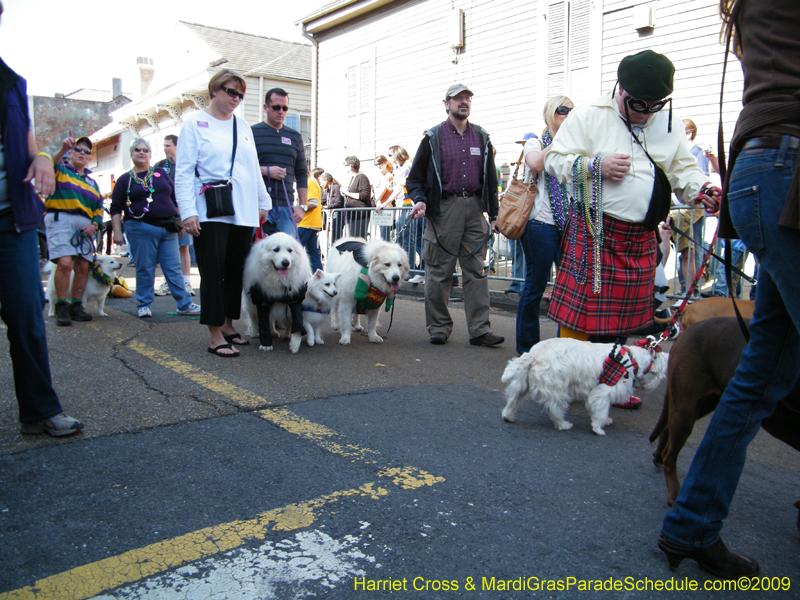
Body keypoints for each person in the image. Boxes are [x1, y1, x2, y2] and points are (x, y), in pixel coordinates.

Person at [659, 0, 800, 578]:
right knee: (757, 377)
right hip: (787, 165)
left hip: (763, 167)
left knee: (758, 377)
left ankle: (690, 526)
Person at [544, 50, 718, 407]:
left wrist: (702, 190)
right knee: (580, 315)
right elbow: (555, 160)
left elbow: (683, 170)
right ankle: (565, 379)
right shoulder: (590, 114)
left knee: (620, 322)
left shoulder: (665, 122)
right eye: (638, 104)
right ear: (620, 89)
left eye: (654, 106)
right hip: (594, 229)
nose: (645, 113)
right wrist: (596, 165)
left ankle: (613, 384)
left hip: (638, 235)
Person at [0, 0, 84, 436]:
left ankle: (38, 410)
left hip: (11, 220)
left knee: (28, 317)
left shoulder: (12, 82)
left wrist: (41, 157)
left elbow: (28, 139)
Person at [175, 69, 271, 357]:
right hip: (209, 209)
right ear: (214, 90)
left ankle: (229, 324)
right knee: (213, 272)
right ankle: (215, 333)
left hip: (242, 210)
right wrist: (188, 211)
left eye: (240, 95)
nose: (236, 99)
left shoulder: (241, 127)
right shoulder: (194, 124)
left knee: (234, 272)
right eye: (231, 92)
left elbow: (252, 167)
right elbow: (183, 172)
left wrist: (262, 201)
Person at [406, 83, 503, 347]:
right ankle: (438, 327)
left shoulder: (482, 137)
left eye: (467, 98)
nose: (464, 102)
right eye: (458, 98)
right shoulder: (432, 137)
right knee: (439, 271)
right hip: (443, 210)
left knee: (477, 272)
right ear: (446, 104)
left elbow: (491, 180)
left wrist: (494, 215)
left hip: (474, 209)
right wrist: (421, 200)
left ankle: (480, 331)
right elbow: (414, 178)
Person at [110, 139, 200, 318]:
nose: (141, 152)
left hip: (168, 228)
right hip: (140, 228)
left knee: (173, 267)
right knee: (145, 267)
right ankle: (144, 304)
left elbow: (175, 198)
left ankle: (184, 303)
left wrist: (180, 221)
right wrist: (117, 232)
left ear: (150, 154)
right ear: (131, 154)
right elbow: (115, 207)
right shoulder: (125, 179)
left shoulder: (161, 173)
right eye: (137, 150)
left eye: (145, 150)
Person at [516, 99, 573, 355]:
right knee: (535, 286)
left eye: (573, 111)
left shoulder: (575, 147)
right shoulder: (536, 143)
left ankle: (565, 347)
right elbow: (536, 163)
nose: (568, 115)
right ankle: (528, 348)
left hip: (569, 225)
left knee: (569, 288)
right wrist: (560, 144)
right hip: (540, 224)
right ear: (550, 114)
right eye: (563, 110)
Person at [44, 134, 104, 326]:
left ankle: (76, 306)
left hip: (84, 225)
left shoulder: (92, 183)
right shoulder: (60, 170)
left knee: (83, 267)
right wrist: (61, 149)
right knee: (64, 263)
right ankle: (62, 305)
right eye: (78, 149)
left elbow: (98, 209)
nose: (82, 153)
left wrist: (94, 225)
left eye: (87, 152)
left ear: (89, 158)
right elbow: (49, 164)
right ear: (70, 152)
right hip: (61, 218)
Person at [251, 88, 306, 238]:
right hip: (258, 205)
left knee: (288, 255)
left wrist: (302, 206)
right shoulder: (252, 133)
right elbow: (242, 167)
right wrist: (265, 171)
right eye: (276, 107)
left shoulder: (295, 136)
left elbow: (301, 173)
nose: (281, 111)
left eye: (285, 108)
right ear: (266, 108)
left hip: (286, 208)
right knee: (261, 254)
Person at [155, 134, 195, 297]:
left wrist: (184, 216)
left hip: (183, 214)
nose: (165, 149)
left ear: (178, 147)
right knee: (167, 250)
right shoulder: (159, 167)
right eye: (164, 146)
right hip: (166, 216)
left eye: (168, 145)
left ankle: (186, 282)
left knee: (183, 247)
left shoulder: (186, 165)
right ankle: (167, 282)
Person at [390, 146, 424, 284]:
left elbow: (401, 188)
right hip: (400, 206)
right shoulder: (399, 169)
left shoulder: (408, 167)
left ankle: (411, 270)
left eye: (390, 154)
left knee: (408, 240)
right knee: (403, 238)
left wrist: (385, 202)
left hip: (408, 205)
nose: (390, 157)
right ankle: (410, 269)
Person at [298, 166, 323, 272]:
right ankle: (319, 276)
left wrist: (298, 209)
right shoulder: (310, 182)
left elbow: (313, 203)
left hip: (307, 222)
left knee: (295, 249)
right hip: (310, 223)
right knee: (312, 253)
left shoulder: (310, 183)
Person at [342, 155, 371, 239]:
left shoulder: (362, 177)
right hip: (352, 215)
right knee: (353, 239)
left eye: (345, 165)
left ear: (351, 166)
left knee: (359, 239)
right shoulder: (352, 178)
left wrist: (347, 193)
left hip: (360, 215)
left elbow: (364, 195)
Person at [373, 155, 394, 241]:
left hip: (386, 206)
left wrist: (379, 201)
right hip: (379, 206)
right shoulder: (377, 176)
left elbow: (384, 190)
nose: (379, 166)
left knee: (385, 236)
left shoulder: (389, 176)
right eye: (376, 164)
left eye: (380, 164)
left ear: (385, 163)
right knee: (381, 235)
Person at [321, 172, 344, 244]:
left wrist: (326, 207)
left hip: (336, 213)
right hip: (329, 214)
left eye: (322, 181)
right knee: (329, 234)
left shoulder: (336, 187)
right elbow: (323, 200)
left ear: (327, 180)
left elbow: (338, 202)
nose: (321, 184)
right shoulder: (327, 189)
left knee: (336, 235)